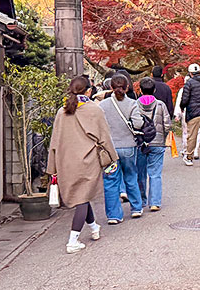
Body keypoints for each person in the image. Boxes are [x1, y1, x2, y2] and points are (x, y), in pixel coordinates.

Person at [46, 76, 118, 254]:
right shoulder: (94, 110)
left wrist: (52, 166)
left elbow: (54, 141)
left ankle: (94, 228)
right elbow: (104, 136)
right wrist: (112, 158)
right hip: (88, 160)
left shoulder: (62, 112)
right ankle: (73, 240)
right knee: (82, 198)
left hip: (66, 161)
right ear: (88, 91)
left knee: (81, 197)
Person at [99, 74, 145, 223]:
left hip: (110, 149)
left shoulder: (103, 105)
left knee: (111, 180)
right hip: (128, 146)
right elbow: (138, 124)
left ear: (111, 87)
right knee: (131, 177)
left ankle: (114, 215)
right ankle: (136, 208)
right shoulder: (132, 103)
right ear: (127, 87)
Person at [135, 77, 172, 211]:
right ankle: (155, 202)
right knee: (155, 173)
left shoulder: (135, 105)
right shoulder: (160, 105)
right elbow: (167, 124)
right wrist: (164, 135)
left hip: (140, 143)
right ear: (154, 90)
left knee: (140, 173)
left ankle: (141, 201)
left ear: (139, 90)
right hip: (157, 142)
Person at [174, 75, 200, 160]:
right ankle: (195, 151)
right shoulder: (197, 89)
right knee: (197, 132)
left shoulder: (182, 90)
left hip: (186, 113)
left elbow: (179, 103)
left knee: (186, 133)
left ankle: (186, 150)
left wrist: (177, 115)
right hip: (197, 112)